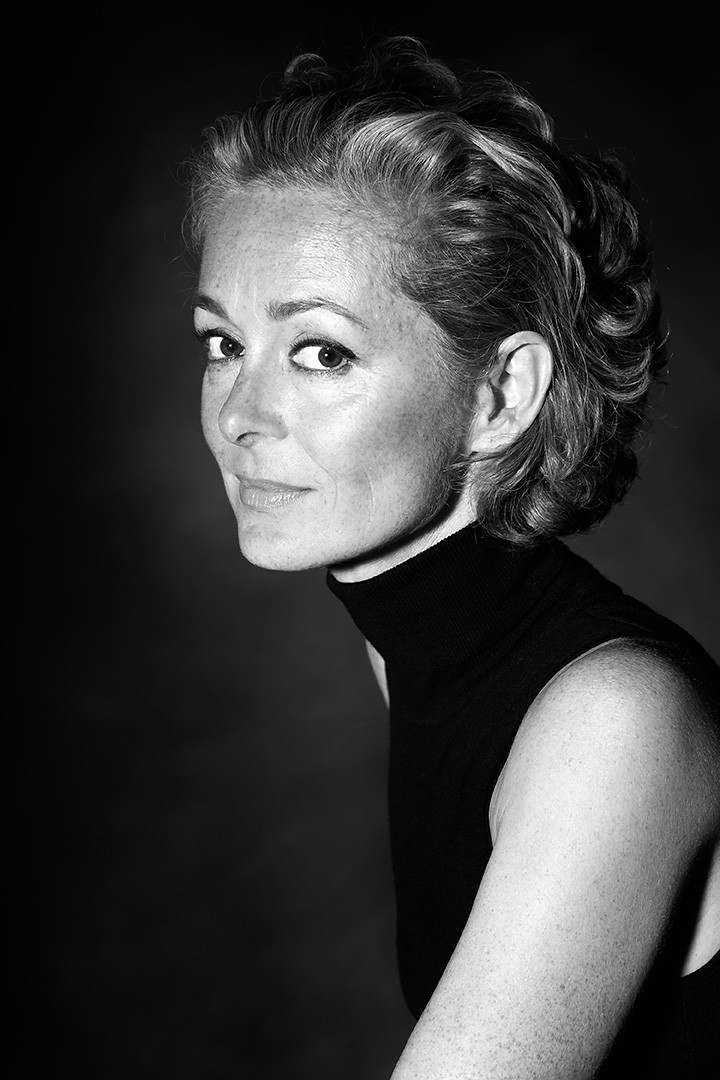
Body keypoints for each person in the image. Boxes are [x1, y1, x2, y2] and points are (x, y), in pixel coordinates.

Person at [186, 37, 719, 1078]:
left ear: (500, 396)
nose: (241, 414)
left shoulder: (611, 720)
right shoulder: (418, 649)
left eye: (322, 352)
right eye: (223, 344)